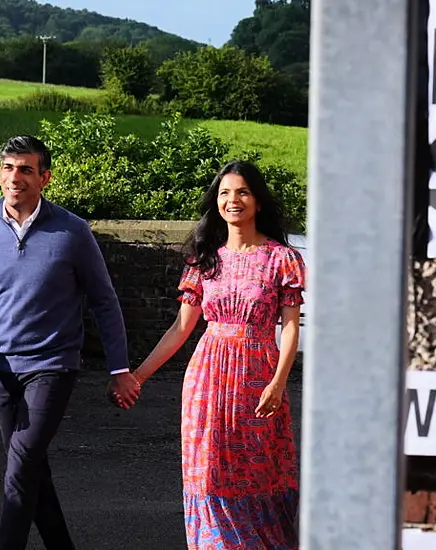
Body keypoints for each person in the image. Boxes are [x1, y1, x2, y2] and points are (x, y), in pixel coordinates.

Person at [0, 135, 142, 550]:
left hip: (52, 366)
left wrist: (119, 369)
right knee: (31, 468)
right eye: (7, 167)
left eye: (25, 169)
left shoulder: (72, 232)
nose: (14, 177)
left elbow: (104, 302)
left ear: (45, 177)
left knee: (21, 465)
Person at [125, 160, 305, 549]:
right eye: (224, 193)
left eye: (242, 192)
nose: (232, 200)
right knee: (208, 475)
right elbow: (180, 328)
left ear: (257, 200)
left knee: (259, 475)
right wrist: (138, 376)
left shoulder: (281, 258)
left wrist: (278, 383)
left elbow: (290, 327)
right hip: (207, 380)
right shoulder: (204, 260)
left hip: (259, 380)